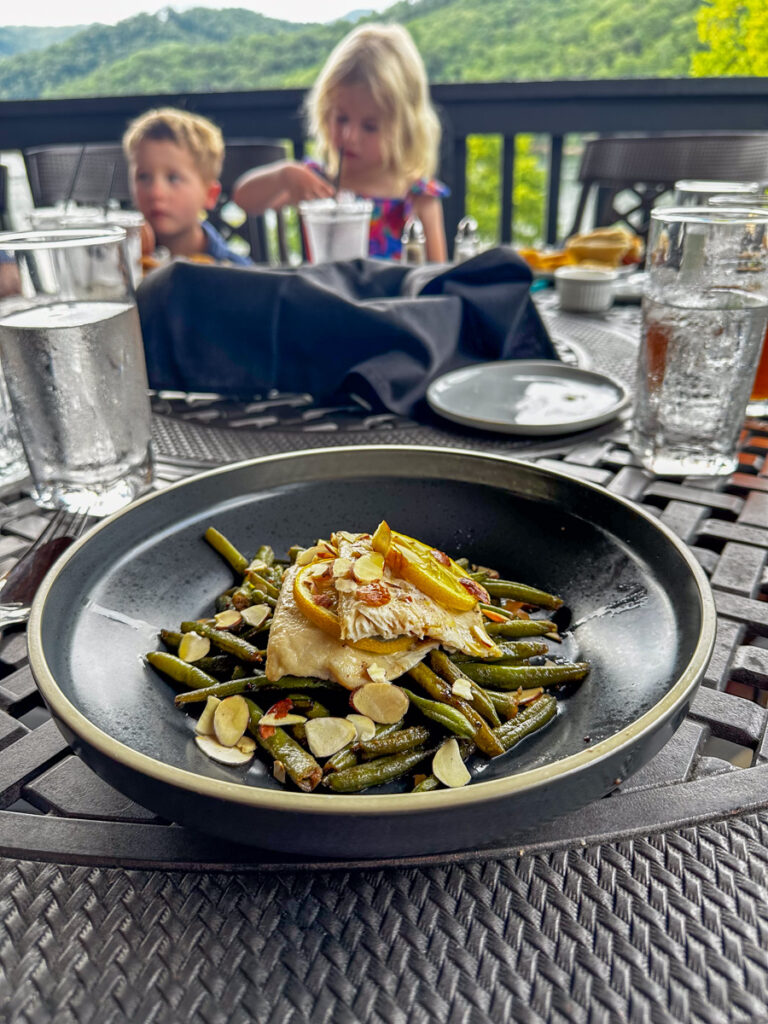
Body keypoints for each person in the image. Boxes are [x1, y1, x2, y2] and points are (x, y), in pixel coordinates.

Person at [232, 24, 449, 262]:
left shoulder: (418, 196)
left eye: (369, 126)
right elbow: (244, 198)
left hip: (395, 300)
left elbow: (436, 273)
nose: (349, 136)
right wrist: (283, 175)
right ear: (325, 112)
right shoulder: (316, 185)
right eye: (341, 118)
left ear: (404, 129)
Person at [122, 108, 252, 266]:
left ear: (210, 194)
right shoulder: (119, 266)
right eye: (143, 177)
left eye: (173, 178)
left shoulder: (237, 274)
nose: (156, 193)